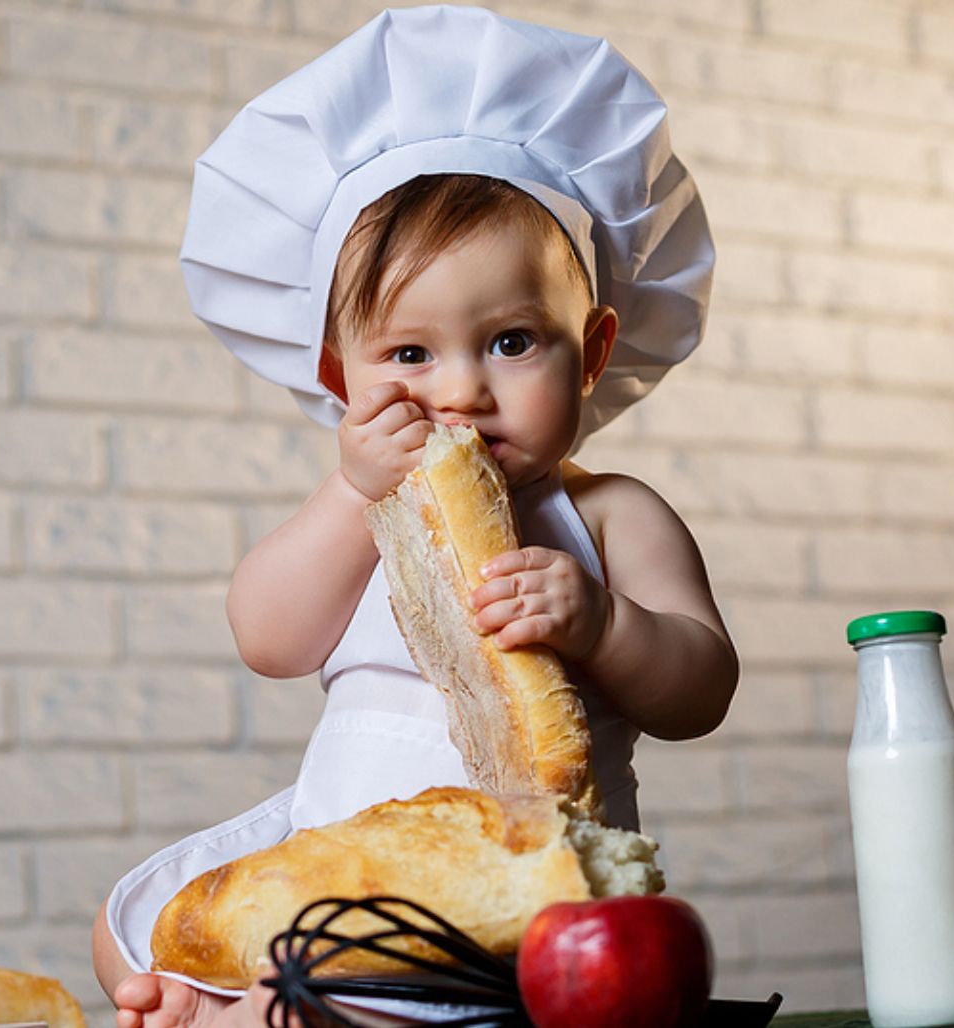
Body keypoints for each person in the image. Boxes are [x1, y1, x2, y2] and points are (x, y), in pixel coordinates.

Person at [92, 7, 737, 1028]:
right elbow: (268, 637)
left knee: (357, 992)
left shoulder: (609, 515)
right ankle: (222, 996)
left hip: (506, 896)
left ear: (596, 348)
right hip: (342, 844)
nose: (463, 393)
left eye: (514, 340)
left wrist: (606, 626)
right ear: (339, 375)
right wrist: (351, 495)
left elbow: (701, 686)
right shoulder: (364, 510)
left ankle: (253, 1011)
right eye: (409, 354)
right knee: (132, 921)